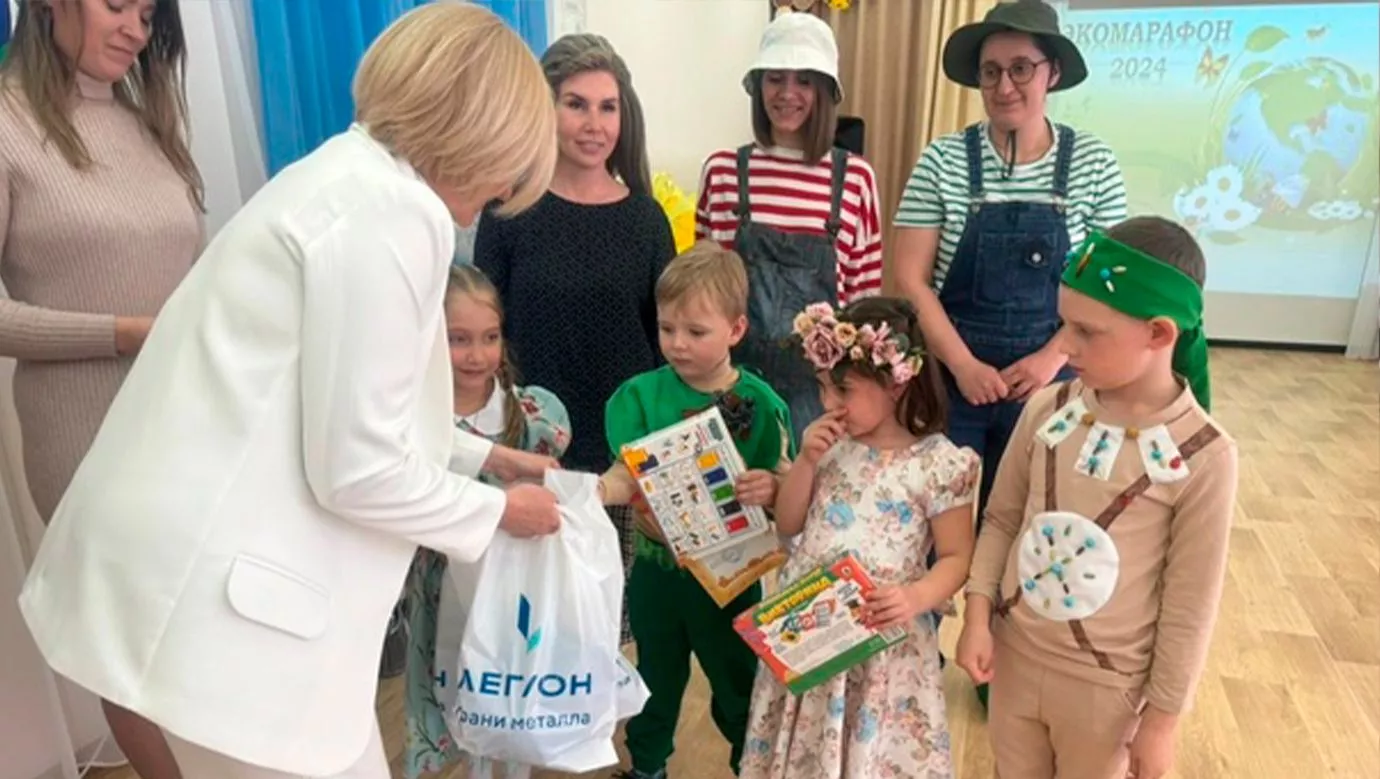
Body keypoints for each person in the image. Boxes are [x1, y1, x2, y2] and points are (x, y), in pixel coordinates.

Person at [18, 4, 563, 777]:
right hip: (217, 608)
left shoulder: (343, 178)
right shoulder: (393, 213)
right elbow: (357, 468)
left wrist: (485, 459)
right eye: (510, 161)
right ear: (474, 127)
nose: (506, 185)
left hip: (172, 574)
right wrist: (498, 511)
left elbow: (331, 398)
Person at [891, 0, 1126, 694]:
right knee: (930, 519)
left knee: (1031, 522)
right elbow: (910, 277)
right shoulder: (942, 160)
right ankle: (913, 658)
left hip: (1049, 381)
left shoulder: (1093, 163)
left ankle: (999, 660)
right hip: (951, 374)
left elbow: (1107, 286)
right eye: (991, 71)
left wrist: (1053, 356)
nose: (1004, 85)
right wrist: (962, 364)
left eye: (1021, 68)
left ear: (1052, 72)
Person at [956, 217, 1238, 779]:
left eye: (1086, 331)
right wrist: (978, 614)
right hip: (1015, 659)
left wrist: (1161, 722)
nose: (1064, 345)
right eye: (1063, 324)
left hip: (1108, 692)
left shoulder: (1206, 456)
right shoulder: (1047, 408)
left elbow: (1190, 604)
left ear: (1159, 333)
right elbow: (1002, 518)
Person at [1, 1, 205, 775]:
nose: (135, 30)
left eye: (148, 15)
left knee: (201, 634)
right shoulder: (7, 125)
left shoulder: (146, 123)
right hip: (86, 440)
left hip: (189, 424)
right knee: (131, 652)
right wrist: (125, 332)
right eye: (116, 5)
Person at [476, 34, 675, 644]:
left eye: (607, 107)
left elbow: (664, 349)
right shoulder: (508, 211)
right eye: (577, 105)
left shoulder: (646, 220)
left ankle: (602, 707)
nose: (594, 124)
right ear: (547, 109)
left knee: (607, 622)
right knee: (532, 620)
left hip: (621, 454)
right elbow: (486, 336)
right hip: (531, 449)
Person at [739, 297, 979, 779]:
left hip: (880, 645)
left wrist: (915, 598)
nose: (829, 403)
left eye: (843, 389)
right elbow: (789, 523)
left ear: (896, 382)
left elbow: (957, 557)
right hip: (809, 633)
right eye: (822, 387)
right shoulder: (830, 447)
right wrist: (805, 461)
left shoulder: (938, 463)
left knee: (869, 755)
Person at [598, 242, 794, 779]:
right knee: (654, 677)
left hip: (731, 577)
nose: (677, 343)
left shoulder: (763, 404)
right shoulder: (640, 396)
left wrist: (773, 489)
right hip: (657, 570)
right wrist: (599, 491)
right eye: (666, 328)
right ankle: (646, 767)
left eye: (695, 331)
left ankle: (750, 764)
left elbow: (787, 482)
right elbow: (624, 470)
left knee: (736, 680)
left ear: (736, 329)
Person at [401, 265, 570, 779]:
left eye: (490, 338)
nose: (477, 355)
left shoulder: (532, 416)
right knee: (447, 680)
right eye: (459, 339)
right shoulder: (411, 416)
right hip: (436, 586)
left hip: (510, 590)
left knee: (507, 691)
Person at [696, 9, 884, 445]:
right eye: (775, 78)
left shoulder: (856, 179)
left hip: (819, 400)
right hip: (730, 388)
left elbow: (864, 306)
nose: (787, 93)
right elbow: (703, 295)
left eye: (804, 80)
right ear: (758, 85)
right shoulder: (723, 172)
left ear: (825, 92)